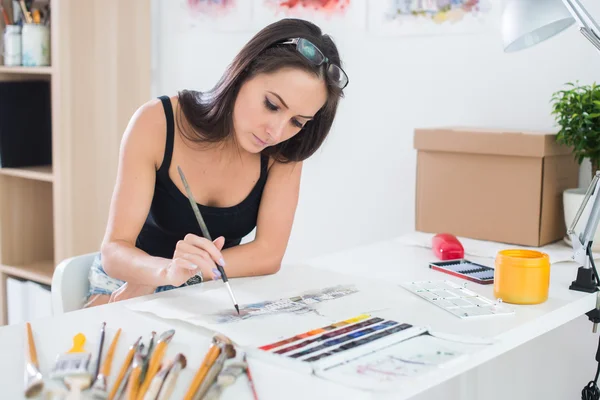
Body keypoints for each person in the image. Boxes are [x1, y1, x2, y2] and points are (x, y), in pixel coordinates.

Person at [84, 18, 349, 307]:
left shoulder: (285, 150)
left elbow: (269, 254)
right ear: (244, 72)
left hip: (206, 287)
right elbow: (114, 250)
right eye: (271, 105)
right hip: (133, 280)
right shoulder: (157, 122)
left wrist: (190, 274)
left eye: (297, 121)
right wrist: (165, 273)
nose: (276, 131)